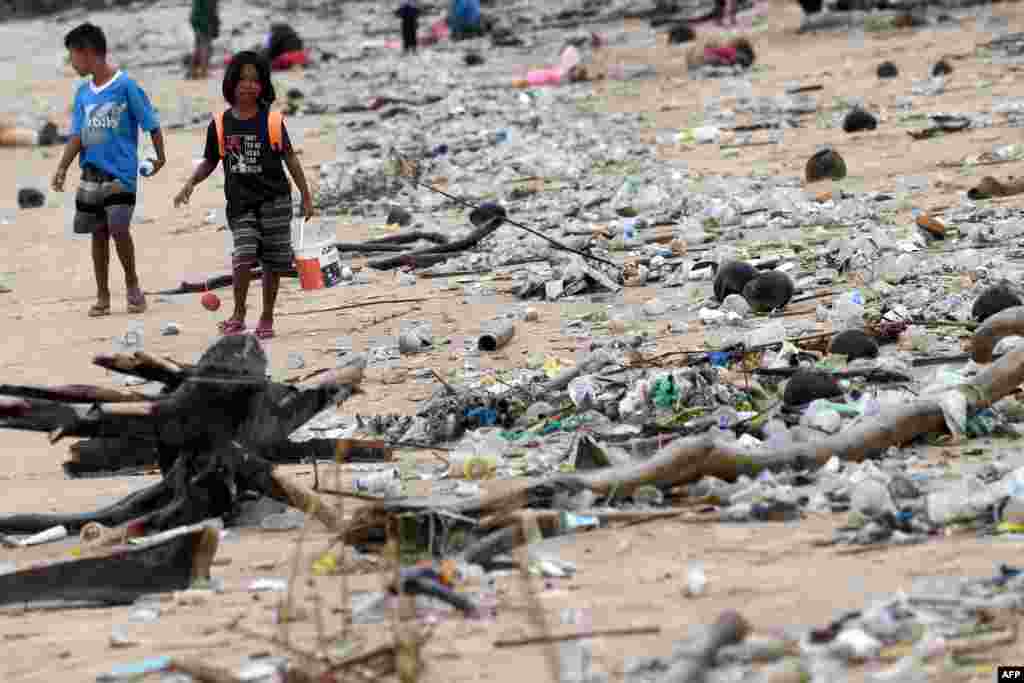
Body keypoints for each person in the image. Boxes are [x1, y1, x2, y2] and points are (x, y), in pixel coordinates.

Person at [173, 51, 314, 340]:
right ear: (231, 83)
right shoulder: (221, 123)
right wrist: (191, 183)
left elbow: (291, 159)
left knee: (273, 263)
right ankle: (238, 314)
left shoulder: (272, 122)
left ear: (263, 85)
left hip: (276, 201)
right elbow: (211, 160)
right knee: (244, 255)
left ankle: (266, 316)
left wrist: (306, 195)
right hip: (241, 204)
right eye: (242, 79)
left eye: (255, 80)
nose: (248, 85)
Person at [51, 23, 165, 318]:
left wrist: (160, 157)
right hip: (91, 172)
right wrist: (63, 166)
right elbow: (78, 134)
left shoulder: (125, 86)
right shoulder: (83, 94)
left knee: (118, 227)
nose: (72, 63)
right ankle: (102, 294)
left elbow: (150, 122)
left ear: (88, 53)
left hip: (122, 173)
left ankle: (132, 284)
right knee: (98, 233)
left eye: (73, 56)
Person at [189, 0, 220, 79]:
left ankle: (195, 72)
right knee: (205, 47)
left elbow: (213, 12)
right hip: (203, 23)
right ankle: (202, 72)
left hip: (201, 22)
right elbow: (211, 11)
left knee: (199, 47)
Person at [0, 120, 65, 148]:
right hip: (38, 139)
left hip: (38, 135)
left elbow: (4, 126)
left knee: (51, 127)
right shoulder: (3, 137)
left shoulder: (4, 133)